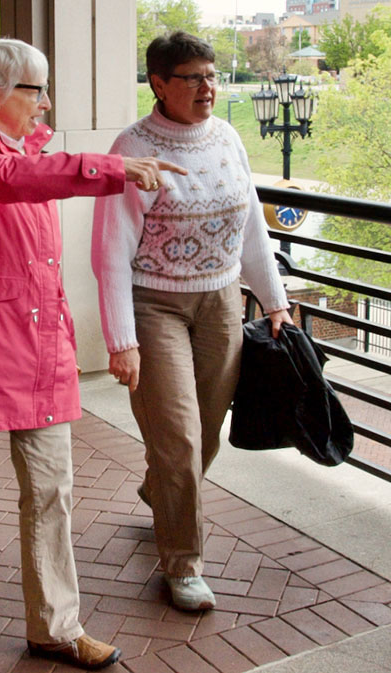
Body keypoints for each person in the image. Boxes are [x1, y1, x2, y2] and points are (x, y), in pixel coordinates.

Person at [0, 38, 184, 670]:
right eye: (36, 89)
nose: (45, 102)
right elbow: (4, 182)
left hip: (36, 341)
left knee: (52, 488)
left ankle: (55, 627)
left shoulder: (30, 148)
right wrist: (107, 169)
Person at [92, 31, 292, 611]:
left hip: (222, 301)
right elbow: (110, 250)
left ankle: (160, 490)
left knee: (204, 431)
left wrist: (273, 300)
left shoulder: (227, 135)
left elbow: (251, 222)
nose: (208, 87)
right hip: (156, 306)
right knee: (177, 436)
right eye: (193, 77)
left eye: (211, 75)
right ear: (158, 83)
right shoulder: (133, 146)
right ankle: (183, 563)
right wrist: (121, 338)